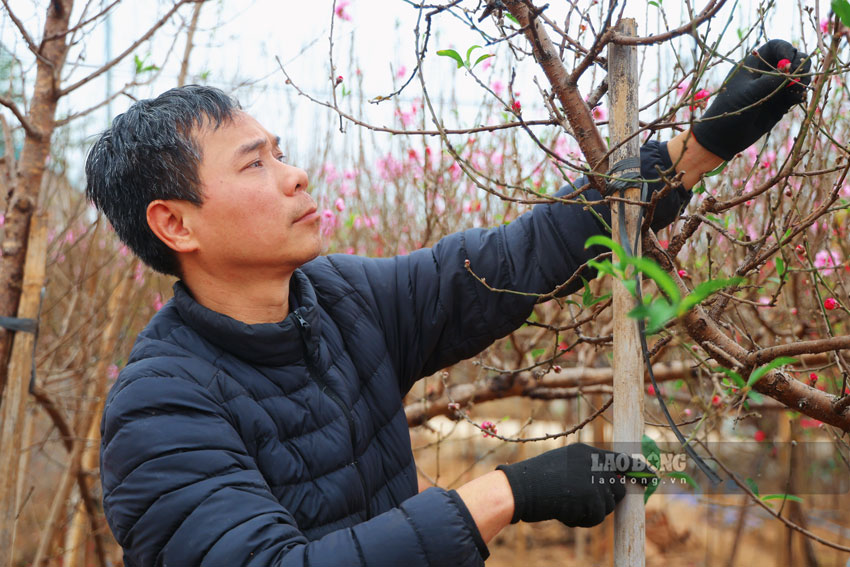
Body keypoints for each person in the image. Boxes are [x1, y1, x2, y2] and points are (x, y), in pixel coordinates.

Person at [86, 39, 808, 566]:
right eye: (256, 163)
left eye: (280, 152)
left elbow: (514, 260)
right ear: (174, 223)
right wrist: (509, 493)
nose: (296, 175)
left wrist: (694, 153)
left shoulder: (340, 301)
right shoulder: (158, 409)